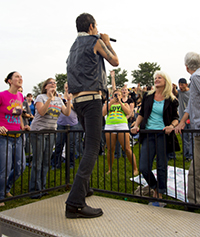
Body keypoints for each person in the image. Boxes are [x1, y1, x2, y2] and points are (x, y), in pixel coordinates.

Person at [65, 13, 119, 218]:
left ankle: (84, 189)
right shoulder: (95, 41)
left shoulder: (72, 47)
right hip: (92, 101)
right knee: (92, 148)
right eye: (96, 26)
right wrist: (106, 42)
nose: (97, 29)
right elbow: (115, 61)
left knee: (89, 144)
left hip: (78, 102)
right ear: (91, 26)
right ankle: (74, 203)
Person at [131, 70, 179, 201]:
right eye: (155, 78)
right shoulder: (147, 96)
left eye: (160, 78)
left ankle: (160, 193)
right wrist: (136, 125)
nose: (156, 79)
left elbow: (176, 118)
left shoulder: (171, 99)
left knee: (161, 165)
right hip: (148, 134)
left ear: (165, 81)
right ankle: (155, 186)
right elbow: (141, 114)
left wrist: (172, 126)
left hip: (163, 135)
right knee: (143, 167)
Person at [30, 78, 71, 199]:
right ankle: (34, 190)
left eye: (55, 83)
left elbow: (67, 113)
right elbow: (42, 112)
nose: (54, 85)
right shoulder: (40, 97)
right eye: (51, 83)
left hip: (51, 132)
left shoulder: (59, 99)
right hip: (38, 132)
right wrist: (49, 98)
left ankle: (43, 187)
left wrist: (68, 101)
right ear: (46, 86)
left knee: (46, 161)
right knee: (38, 161)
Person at [0, 71, 30, 206]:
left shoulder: (20, 96)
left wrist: (22, 127)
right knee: (4, 168)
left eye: (21, 77)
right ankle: (1, 195)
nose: (20, 78)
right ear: (9, 81)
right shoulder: (2, 95)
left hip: (17, 136)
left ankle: (7, 188)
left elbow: (18, 116)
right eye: (17, 76)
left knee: (20, 167)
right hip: (4, 137)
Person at [175, 52, 200, 206]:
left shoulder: (196, 77)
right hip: (195, 125)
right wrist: (182, 121)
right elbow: (191, 104)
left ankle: (194, 201)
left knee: (195, 169)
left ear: (186, 67)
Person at [102, 89, 138, 175]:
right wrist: (111, 102)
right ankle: (110, 169)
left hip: (122, 125)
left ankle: (135, 168)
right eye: (115, 95)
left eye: (118, 95)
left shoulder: (125, 104)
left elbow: (128, 112)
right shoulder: (108, 104)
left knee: (126, 148)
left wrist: (120, 102)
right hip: (110, 125)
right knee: (110, 149)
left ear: (121, 96)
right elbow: (103, 113)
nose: (116, 96)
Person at [51, 82, 83, 169]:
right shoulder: (59, 98)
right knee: (58, 144)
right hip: (61, 123)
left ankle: (71, 164)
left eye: (69, 87)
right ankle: (56, 164)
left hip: (73, 124)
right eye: (66, 87)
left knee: (71, 146)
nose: (67, 89)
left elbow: (80, 111)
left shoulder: (76, 98)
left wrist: (69, 104)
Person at [172, 78, 193, 161]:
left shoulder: (191, 92)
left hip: (191, 118)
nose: (181, 87)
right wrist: (173, 88)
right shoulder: (179, 92)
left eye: (182, 85)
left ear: (186, 85)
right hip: (181, 118)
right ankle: (186, 155)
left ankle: (192, 155)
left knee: (191, 137)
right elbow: (175, 93)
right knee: (184, 138)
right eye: (179, 85)